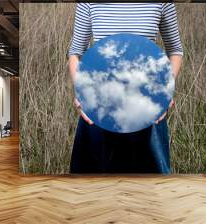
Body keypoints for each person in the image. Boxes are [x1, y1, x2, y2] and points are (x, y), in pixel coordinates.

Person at [68, 3, 183, 174]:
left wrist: (164, 89)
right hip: (99, 99)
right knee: (92, 183)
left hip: (146, 100)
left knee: (151, 184)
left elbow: (175, 50)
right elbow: (76, 52)